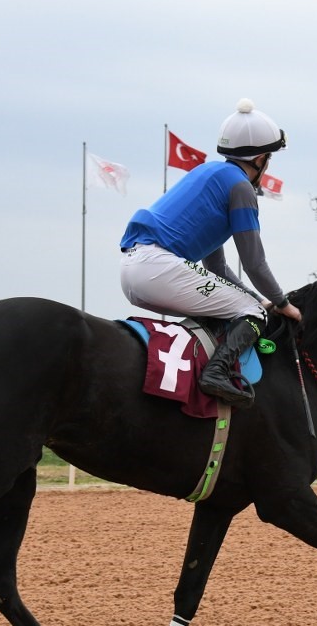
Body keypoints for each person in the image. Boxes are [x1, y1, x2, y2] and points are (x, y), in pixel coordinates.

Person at [119, 98, 302, 407]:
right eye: (269, 158)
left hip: (134, 267)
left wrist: (257, 297)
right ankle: (216, 373)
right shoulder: (240, 188)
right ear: (260, 158)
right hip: (159, 267)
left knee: (238, 307)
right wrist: (283, 304)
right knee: (254, 314)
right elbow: (254, 264)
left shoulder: (211, 174)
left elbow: (216, 268)